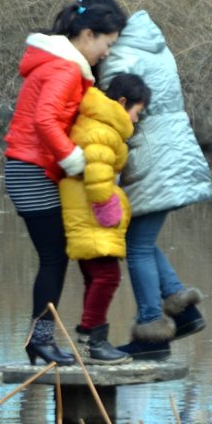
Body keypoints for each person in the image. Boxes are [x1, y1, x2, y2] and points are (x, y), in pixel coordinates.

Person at [4, 0, 127, 365]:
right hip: (32, 170)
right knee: (54, 257)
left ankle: (41, 339)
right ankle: (40, 339)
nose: (107, 53)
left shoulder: (63, 65)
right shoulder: (64, 68)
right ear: (87, 35)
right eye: (107, 44)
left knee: (55, 257)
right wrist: (74, 161)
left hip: (30, 169)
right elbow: (44, 120)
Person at [97, 9, 212, 361]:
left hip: (151, 157)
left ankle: (152, 332)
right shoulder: (153, 47)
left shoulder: (120, 56)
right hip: (174, 154)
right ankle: (183, 310)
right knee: (140, 240)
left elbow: (113, 115)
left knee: (136, 246)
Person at [60, 73, 152, 364]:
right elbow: (99, 171)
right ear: (123, 103)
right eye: (137, 112)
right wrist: (106, 206)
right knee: (107, 276)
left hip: (82, 208)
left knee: (96, 276)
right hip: (90, 212)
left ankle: (91, 341)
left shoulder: (97, 122)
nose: (137, 120)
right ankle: (91, 342)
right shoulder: (104, 129)